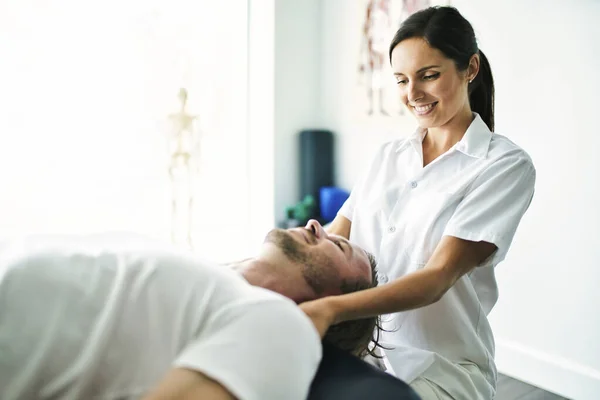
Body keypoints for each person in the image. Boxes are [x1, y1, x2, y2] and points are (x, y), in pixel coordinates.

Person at [300, 6, 536, 400]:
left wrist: (331, 311)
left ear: (470, 68)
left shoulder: (505, 166)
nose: (412, 95)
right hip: (364, 353)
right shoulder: (387, 156)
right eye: (401, 80)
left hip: (442, 368)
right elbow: (333, 243)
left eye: (429, 76)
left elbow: (437, 277)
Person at [0, 220, 379, 400]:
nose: (317, 225)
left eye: (340, 246)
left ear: (336, 301)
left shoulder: (279, 325)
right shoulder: (207, 280)